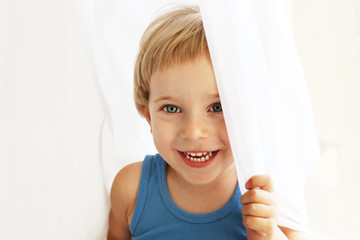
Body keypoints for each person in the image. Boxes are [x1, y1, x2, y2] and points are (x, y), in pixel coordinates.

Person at [107, 5, 313, 240]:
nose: (194, 132)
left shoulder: (266, 194)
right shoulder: (131, 188)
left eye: (218, 107)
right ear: (148, 116)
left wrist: (270, 235)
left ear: (249, 116)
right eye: (172, 108)